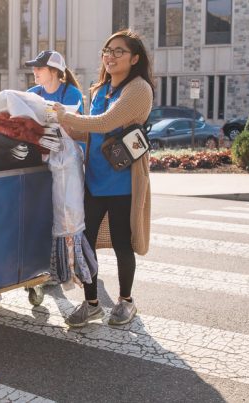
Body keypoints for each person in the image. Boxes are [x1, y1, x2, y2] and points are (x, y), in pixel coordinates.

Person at [52, 29, 153, 327]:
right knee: (85, 242)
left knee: (123, 241)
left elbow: (107, 122)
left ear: (135, 58)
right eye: (107, 51)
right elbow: (91, 132)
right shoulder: (99, 90)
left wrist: (66, 117)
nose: (110, 56)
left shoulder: (138, 89)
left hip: (124, 182)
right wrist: (63, 128)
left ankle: (125, 301)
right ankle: (92, 303)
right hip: (94, 180)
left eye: (118, 51)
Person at [25, 50, 84, 114]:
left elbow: (74, 122)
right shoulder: (31, 93)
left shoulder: (72, 93)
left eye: (39, 68)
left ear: (54, 71)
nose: (34, 71)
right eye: (34, 68)